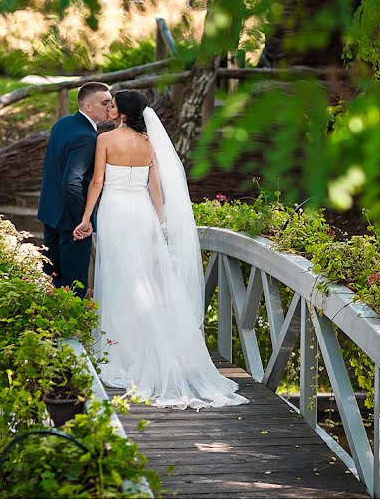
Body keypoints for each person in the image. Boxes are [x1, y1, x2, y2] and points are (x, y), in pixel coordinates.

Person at [73, 90, 248, 410]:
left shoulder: (105, 140)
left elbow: (97, 182)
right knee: (146, 279)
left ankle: (120, 351)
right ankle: (146, 347)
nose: (109, 108)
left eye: (113, 105)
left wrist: (86, 219)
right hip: (142, 214)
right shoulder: (148, 143)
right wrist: (161, 223)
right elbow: (155, 188)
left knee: (119, 278)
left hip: (114, 211)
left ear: (123, 112)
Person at [37, 82, 112, 298]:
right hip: (72, 221)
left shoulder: (63, 123)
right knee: (74, 286)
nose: (110, 107)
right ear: (88, 106)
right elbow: (71, 182)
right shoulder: (87, 137)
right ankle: (71, 331)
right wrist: (84, 218)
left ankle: (51, 329)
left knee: (54, 281)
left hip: (50, 214)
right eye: (104, 102)